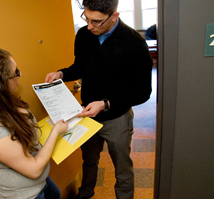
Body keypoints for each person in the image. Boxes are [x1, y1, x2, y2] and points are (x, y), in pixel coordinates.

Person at [45, 0, 153, 198]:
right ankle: (85, 193)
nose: (89, 26)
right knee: (89, 160)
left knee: (122, 167)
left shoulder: (134, 42)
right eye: (86, 18)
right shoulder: (84, 35)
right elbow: (80, 67)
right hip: (87, 114)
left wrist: (105, 104)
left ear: (114, 16)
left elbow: (142, 92)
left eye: (97, 22)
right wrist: (61, 74)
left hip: (117, 117)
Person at [0, 47, 68, 199]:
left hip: (40, 183)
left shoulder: (2, 99)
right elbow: (34, 169)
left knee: (55, 193)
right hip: (24, 195)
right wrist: (55, 131)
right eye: (15, 73)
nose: (20, 75)